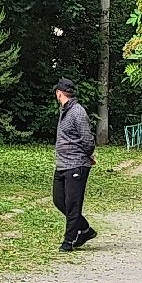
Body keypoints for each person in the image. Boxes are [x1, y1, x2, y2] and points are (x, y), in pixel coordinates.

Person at [53, 77, 97, 252]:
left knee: (72, 204)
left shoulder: (77, 112)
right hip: (62, 165)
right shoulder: (64, 110)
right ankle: (85, 229)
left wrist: (87, 155)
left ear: (59, 93)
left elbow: (87, 139)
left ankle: (69, 241)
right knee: (58, 200)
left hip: (76, 164)